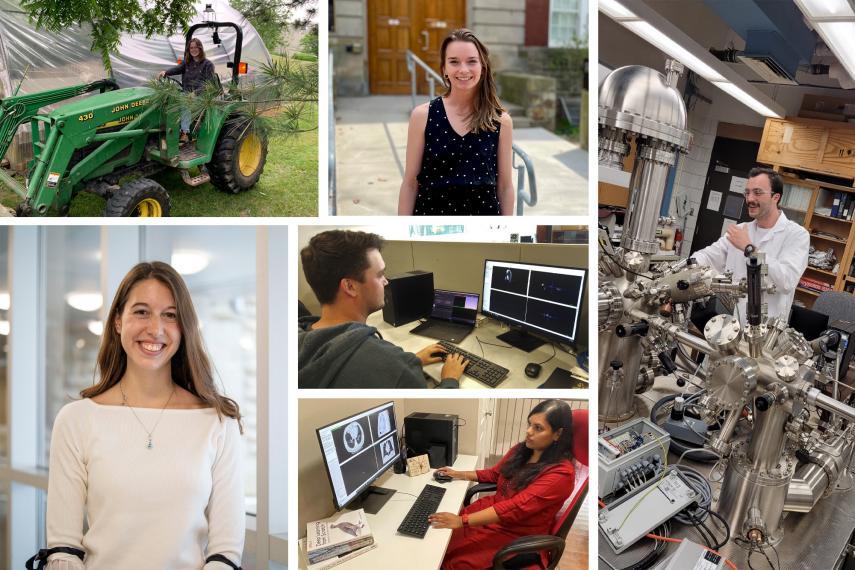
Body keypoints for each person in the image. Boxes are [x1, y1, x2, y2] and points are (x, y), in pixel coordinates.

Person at [44, 262, 244, 570]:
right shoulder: (76, 420)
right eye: (141, 312)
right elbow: (64, 549)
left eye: (170, 315)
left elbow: (226, 551)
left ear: (184, 327)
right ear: (118, 322)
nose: (156, 329)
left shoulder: (217, 422)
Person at [298, 230, 467, 389]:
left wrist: (411, 361)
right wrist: (450, 380)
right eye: (379, 275)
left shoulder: (297, 340)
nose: (386, 281)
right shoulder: (393, 366)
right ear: (350, 286)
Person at [428, 400, 575, 569]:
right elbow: (495, 474)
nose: (528, 431)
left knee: (454, 563)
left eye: (538, 428)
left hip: (515, 533)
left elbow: (515, 507)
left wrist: (462, 521)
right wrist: (458, 474)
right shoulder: (523, 449)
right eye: (529, 424)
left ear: (558, 434)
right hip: (493, 514)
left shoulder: (561, 474)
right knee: (440, 542)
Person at [398, 29, 515, 216]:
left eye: (471, 61)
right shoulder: (422, 116)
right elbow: (410, 184)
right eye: (454, 62)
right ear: (444, 69)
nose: (463, 69)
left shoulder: (500, 121)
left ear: (483, 67)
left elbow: (505, 187)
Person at [690, 166, 809, 324]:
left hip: (764, 335)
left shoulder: (796, 235)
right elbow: (707, 256)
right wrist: (688, 266)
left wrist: (749, 249)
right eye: (747, 192)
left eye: (757, 192)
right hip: (728, 326)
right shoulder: (740, 230)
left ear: (776, 197)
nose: (750, 199)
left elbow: (786, 280)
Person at [158, 37, 216, 143]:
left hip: (201, 95)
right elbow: (177, 69)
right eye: (191, 48)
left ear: (200, 48)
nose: (193, 50)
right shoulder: (187, 62)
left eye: (195, 47)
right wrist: (166, 72)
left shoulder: (208, 65)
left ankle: (184, 132)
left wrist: (195, 93)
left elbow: (209, 85)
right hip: (186, 92)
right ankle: (167, 129)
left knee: (185, 103)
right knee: (170, 100)